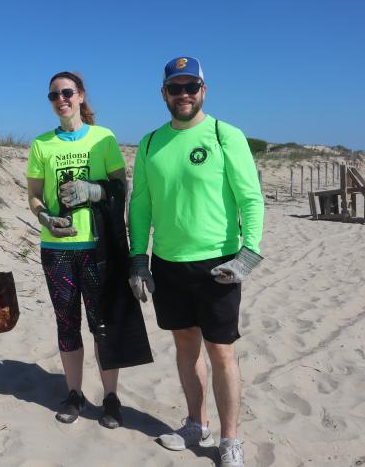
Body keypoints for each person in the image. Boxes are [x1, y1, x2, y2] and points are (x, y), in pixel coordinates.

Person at [128, 57, 264, 467]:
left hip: (220, 263)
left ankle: (230, 440)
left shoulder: (225, 134)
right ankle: (195, 422)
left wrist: (249, 254)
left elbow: (251, 198)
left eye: (191, 87)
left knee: (221, 352)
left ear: (204, 90)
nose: (183, 94)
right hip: (168, 263)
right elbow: (140, 206)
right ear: (164, 93)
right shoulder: (151, 143)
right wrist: (138, 258)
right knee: (185, 345)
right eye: (175, 87)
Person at [26, 71, 128, 428]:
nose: (61, 99)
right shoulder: (42, 145)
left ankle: (111, 398)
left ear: (81, 96)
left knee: (102, 325)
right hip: (57, 249)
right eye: (54, 95)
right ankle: (74, 394)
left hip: (97, 248)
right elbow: (35, 196)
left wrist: (94, 190)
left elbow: (120, 188)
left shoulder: (104, 139)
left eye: (67, 93)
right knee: (67, 324)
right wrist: (44, 218)